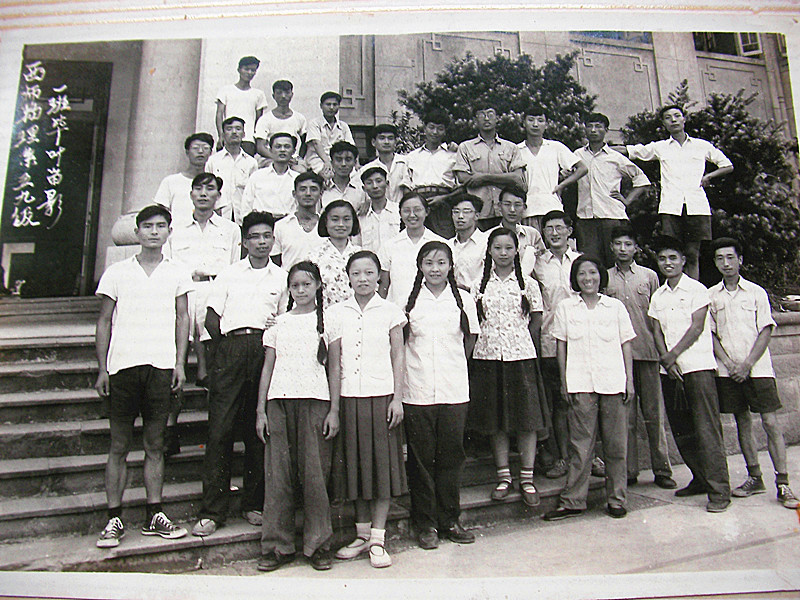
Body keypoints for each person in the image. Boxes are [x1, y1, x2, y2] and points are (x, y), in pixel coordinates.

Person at [95, 205, 191, 548]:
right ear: (136, 232)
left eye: (160, 226)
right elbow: (104, 321)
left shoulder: (177, 272)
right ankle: (113, 518)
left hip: (160, 367)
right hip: (122, 366)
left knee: (154, 444)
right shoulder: (117, 272)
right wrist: (102, 368)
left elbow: (183, 319)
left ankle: (154, 513)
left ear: (169, 232)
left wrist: (179, 363)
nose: (153, 232)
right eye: (147, 226)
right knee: (119, 445)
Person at [192, 211, 289, 537]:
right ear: (245, 242)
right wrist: (225, 352)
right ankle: (212, 511)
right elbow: (211, 319)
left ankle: (253, 504)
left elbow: (284, 319)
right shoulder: (229, 274)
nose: (261, 242)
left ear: (273, 240)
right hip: (231, 350)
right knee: (219, 430)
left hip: (264, 350)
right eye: (255, 237)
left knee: (258, 431)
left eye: (267, 236)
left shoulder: (282, 277)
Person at [255, 261, 340, 572]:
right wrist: (261, 410)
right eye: (295, 286)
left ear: (318, 286)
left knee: (315, 475)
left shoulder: (329, 322)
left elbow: (335, 367)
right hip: (279, 403)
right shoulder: (278, 324)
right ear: (288, 289)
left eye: (307, 284)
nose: (301, 290)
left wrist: (334, 410)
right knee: (278, 476)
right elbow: (268, 367)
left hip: (316, 403)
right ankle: (277, 546)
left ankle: (318, 545)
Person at [330, 251, 407, 569]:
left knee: (381, 468)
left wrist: (397, 399)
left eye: (369, 272)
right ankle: (361, 536)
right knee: (356, 469)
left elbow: (398, 356)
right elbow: (334, 363)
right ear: (348, 277)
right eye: (356, 273)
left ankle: (378, 538)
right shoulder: (336, 312)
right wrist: (335, 408)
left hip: (382, 398)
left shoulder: (391, 311)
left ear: (378, 276)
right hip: (349, 398)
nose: (363, 279)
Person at [544, 255, 636, 521]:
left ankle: (617, 499)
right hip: (580, 383)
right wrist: (564, 382)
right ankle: (573, 500)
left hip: (613, 382)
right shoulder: (566, 307)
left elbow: (626, 344)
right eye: (582, 274)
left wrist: (629, 380)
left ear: (600, 276)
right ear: (575, 278)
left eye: (593, 273)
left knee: (616, 446)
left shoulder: (615, 307)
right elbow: (561, 347)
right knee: (580, 446)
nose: (588, 279)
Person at [709, 237, 798, 509]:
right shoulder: (711, 295)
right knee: (742, 422)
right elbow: (711, 335)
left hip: (757, 369)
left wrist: (747, 364)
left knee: (770, 422)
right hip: (729, 371)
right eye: (720, 258)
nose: (726, 263)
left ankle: (783, 484)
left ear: (740, 260)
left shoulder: (756, 292)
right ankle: (754, 477)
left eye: (730, 257)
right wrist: (729, 363)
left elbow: (766, 330)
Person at [403, 241, 480, 549]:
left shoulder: (463, 299)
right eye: (429, 263)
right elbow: (401, 342)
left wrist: (454, 364)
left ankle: (450, 520)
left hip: (453, 389)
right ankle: (425, 525)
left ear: (450, 266)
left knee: (451, 457)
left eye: (441, 263)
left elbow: (470, 338)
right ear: (420, 266)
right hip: (417, 389)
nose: (435, 269)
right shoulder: (408, 301)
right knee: (420, 460)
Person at [648, 235, 731, 513]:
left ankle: (719, 491)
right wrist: (667, 361)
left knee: (707, 430)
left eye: (673, 258)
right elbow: (656, 331)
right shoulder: (658, 295)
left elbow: (697, 328)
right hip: (670, 372)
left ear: (683, 260)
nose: (668, 263)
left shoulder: (697, 289)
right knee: (682, 430)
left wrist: (672, 355)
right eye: (663, 259)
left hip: (697, 368)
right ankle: (700, 479)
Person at [469, 228, 548, 507]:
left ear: (517, 251)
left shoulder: (529, 284)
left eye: (508, 248)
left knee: (527, 420)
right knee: (496, 421)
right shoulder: (478, 284)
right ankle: (504, 477)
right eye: (498, 248)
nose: (503, 253)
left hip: (521, 357)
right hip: (488, 358)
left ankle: (527, 478)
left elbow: (536, 321)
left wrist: (525, 346)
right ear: (489, 251)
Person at [165, 174, 241, 455]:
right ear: (191, 194)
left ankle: (216, 434)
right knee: (175, 364)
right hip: (183, 295)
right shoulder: (174, 229)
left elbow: (234, 269)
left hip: (215, 294)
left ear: (219, 196)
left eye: (210, 189)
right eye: (198, 189)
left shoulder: (230, 230)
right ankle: (169, 429)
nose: (204, 194)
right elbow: (167, 266)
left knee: (215, 368)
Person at [614, 105, 733, 280]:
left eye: (677, 116)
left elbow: (727, 165)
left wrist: (709, 176)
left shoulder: (701, 145)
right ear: (664, 123)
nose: (674, 120)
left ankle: (692, 291)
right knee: (671, 253)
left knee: (692, 254)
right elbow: (632, 150)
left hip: (697, 206)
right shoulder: (661, 147)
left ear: (684, 119)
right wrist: (602, 148)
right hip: (670, 207)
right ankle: (674, 290)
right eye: (668, 118)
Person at [605, 226, 676, 489]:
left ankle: (662, 470)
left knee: (654, 415)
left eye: (628, 244)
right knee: (626, 417)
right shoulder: (605, 277)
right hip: (617, 356)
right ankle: (630, 470)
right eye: (618, 244)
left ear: (636, 248)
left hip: (647, 352)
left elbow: (659, 315)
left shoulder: (649, 276)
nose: (623, 249)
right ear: (611, 247)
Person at [525, 210, 581, 479]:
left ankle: (586, 457)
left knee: (582, 402)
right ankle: (562, 458)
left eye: (560, 227)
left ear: (569, 231)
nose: (555, 233)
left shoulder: (581, 261)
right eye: (549, 229)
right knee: (558, 401)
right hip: (550, 340)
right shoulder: (537, 264)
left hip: (581, 340)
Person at [574, 113, 650, 268]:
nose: (593, 130)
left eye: (598, 126)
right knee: (590, 264)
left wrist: (627, 200)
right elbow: (565, 175)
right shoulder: (577, 155)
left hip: (612, 217)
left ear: (606, 130)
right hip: (586, 219)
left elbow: (641, 179)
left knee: (615, 264)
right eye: (590, 126)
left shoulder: (616, 157)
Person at [454, 105, 526, 231]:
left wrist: (483, 177)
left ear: (497, 118)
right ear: (476, 120)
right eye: (482, 115)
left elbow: (517, 178)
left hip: (505, 211)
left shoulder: (511, 147)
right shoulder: (465, 147)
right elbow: (463, 177)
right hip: (479, 211)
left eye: (490, 114)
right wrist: (504, 178)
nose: (486, 118)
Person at [516, 105, 587, 229]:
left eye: (540, 120)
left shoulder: (556, 147)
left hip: (552, 207)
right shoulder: (516, 150)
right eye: (531, 120)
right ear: (524, 123)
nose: (535, 124)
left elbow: (582, 168)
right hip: (527, 210)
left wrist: (561, 185)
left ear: (546, 124)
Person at [379, 192, 448, 307]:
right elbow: (384, 285)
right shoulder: (390, 246)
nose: (412, 215)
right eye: (406, 211)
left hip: (430, 309)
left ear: (427, 212)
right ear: (400, 213)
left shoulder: (441, 244)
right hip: (396, 310)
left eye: (417, 210)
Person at [401, 110, 459, 239]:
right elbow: (406, 186)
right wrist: (414, 204)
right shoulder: (412, 156)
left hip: (443, 203)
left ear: (445, 131)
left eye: (440, 129)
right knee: (415, 240)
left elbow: (461, 187)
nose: (435, 132)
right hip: (418, 203)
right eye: (431, 127)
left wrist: (444, 198)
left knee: (444, 241)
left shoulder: (453, 155)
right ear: (424, 128)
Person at [153, 133, 214, 228]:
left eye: (205, 148)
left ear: (210, 153)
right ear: (187, 152)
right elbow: (161, 214)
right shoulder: (170, 182)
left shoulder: (214, 183)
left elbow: (218, 213)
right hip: (177, 233)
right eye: (195, 148)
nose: (200, 151)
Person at [205, 116, 258, 223]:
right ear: (223, 134)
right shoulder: (213, 161)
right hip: (219, 215)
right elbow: (207, 188)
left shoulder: (251, 162)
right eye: (229, 129)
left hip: (243, 216)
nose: (234, 132)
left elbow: (254, 191)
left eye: (238, 129)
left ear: (244, 134)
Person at [309, 200, 362, 307]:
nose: (341, 224)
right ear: (326, 222)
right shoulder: (314, 257)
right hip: (325, 313)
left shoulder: (361, 255)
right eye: (335, 219)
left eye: (346, 219)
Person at [240, 133, 302, 221]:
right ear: (270, 150)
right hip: (261, 223)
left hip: (288, 224)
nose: (282, 150)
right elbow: (246, 206)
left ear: (293, 151)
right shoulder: (257, 176)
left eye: (287, 147)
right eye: (278, 147)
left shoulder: (298, 179)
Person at [270, 171, 324, 269]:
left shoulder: (327, 227)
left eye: (313, 189)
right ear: (294, 194)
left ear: (321, 194)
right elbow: (275, 264)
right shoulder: (281, 226)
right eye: (303, 189)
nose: (308, 193)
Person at [215, 56, 267, 156]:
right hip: (228, 138)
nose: (249, 73)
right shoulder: (226, 90)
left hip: (248, 140)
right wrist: (221, 135)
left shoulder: (258, 94)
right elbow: (219, 114)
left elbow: (259, 120)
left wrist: (257, 140)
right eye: (246, 69)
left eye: (253, 70)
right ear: (239, 70)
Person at [305, 91, 355, 181]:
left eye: (335, 104)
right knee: (328, 175)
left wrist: (356, 163)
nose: (331, 107)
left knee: (354, 176)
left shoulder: (343, 126)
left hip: (338, 160)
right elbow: (316, 143)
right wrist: (327, 162)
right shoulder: (315, 123)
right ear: (321, 106)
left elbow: (351, 146)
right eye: (328, 104)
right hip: (318, 159)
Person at [254, 80, 307, 163]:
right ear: (273, 96)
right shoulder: (265, 119)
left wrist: (299, 158)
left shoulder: (299, 118)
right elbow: (260, 147)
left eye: (287, 93)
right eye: (279, 93)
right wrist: (277, 158)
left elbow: (305, 142)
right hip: (270, 158)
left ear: (292, 95)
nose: (283, 96)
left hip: (291, 158)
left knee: (301, 169)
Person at [356, 166, 401, 255]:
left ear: (387, 184)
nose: (375, 186)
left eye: (379, 181)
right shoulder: (360, 216)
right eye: (369, 183)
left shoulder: (399, 211)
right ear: (364, 188)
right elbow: (357, 245)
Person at [493, 185, 545, 259]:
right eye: (507, 204)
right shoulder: (488, 236)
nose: (512, 209)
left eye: (517, 205)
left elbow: (543, 259)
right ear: (499, 206)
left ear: (524, 207)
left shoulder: (532, 234)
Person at [359, 124, 407, 204]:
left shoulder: (406, 163)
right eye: (382, 138)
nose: (386, 142)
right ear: (373, 142)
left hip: (404, 209)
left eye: (390, 138)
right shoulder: (366, 169)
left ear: (395, 142)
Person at [451, 193, 488, 289]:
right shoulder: (447, 244)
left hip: (477, 294)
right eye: (456, 212)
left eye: (466, 212)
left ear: (477, 216)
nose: (460, 216)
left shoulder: (486, 243)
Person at [320, 141, 365, 211]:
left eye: (348, 160)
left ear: (355, 162)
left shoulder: (361, 190)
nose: (343, 164)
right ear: (332, 162)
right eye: (339, 160)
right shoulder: (322, 189)